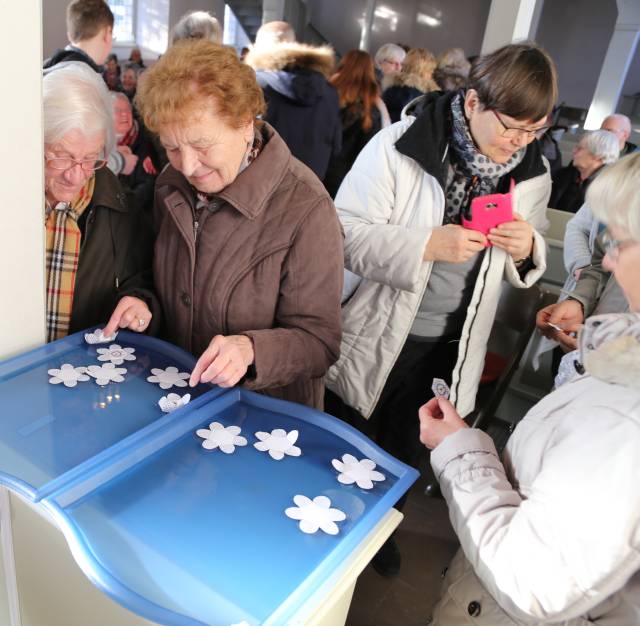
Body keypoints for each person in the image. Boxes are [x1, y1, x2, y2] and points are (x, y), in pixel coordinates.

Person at [325, 42, 556, 577]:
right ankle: (327, 534)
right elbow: (344, 235)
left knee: (411, 451)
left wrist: (527, 249)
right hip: (379, 330)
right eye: (511, 127)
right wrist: (426, 244)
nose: (518, 143)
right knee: (354, 441)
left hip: (454, 344)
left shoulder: (533, 171)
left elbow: (533, 246)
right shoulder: (400, 146)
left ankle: (382, 534)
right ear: (473, 102)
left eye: (533, 132)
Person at [420, 152, 640, 626]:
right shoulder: (622, 371)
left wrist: (460, 450)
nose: (605, 258)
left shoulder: (625, 423)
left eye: (619, 242)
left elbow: (529, 580)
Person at [135, 39, 344, 409]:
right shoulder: (170, 185)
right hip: (180, 401)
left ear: (246, 124)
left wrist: (251, 349)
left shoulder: (306, 208)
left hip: (264, 418)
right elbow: (160, 277)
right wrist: (141, 300)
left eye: (201, 145)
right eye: (171, 147)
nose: (187, 165)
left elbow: (320, 342)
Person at [43, 63, 158, 342]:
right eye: (61, 156)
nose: (75, 175)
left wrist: (140, 302)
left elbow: (142, 280)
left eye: (89, 158)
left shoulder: (122, 209)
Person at [43, 0, 137, 178]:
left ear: (71, 34)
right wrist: (120, 162)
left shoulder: (53, 67)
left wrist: (114, 150)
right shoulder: (82, 81)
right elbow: (75, 150)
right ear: (107, 33)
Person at [244, 21, 341, 180]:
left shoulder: (254, 85)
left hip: (260, 189)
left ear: (259, 47)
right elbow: (336, 148)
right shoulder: (330, 92)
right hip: (311, 189)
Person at [323, 50, 390, 198]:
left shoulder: (325, 95)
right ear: (371, 72)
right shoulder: (372, 108)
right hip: (347, 179)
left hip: (318, 168)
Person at [111, 92, 161, 213]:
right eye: (117, 110)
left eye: (127, 110)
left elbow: (147, 186)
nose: (124, 114)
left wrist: (119, 207)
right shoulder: (99, 142)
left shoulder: (146, 141)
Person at [549, 129, 619, 213]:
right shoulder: (560, 176)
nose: (574, 151)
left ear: (598, 155)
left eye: (580, 148)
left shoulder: (610, 189)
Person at [382, 48, 439, 122]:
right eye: (429, 70)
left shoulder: (391, 88)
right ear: (420, 70)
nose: (431, 75)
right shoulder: (418, 95)